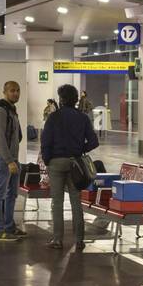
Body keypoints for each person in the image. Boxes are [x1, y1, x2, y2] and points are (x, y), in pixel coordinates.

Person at [40, 84, 99, 251]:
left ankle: (57, 240)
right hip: (75, 163)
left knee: (57, 202)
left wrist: (47, 159)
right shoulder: (82, 118)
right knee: (75, 201)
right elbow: (94, 142)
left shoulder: (54, 117)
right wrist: (81, 150)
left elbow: (46, 141)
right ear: (75, 100)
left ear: (62, 99)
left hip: (56, 163)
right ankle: (79, 240)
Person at [0, 81, 27, 242]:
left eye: (18, 91)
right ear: (4, 92)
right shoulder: (0, 111)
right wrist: (9, 160)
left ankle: (9, 226)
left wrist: (14, 161)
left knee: (12, 194)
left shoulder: (12, 110)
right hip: (3, 160)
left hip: (12, 160)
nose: (16, 94)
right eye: (12, 91)